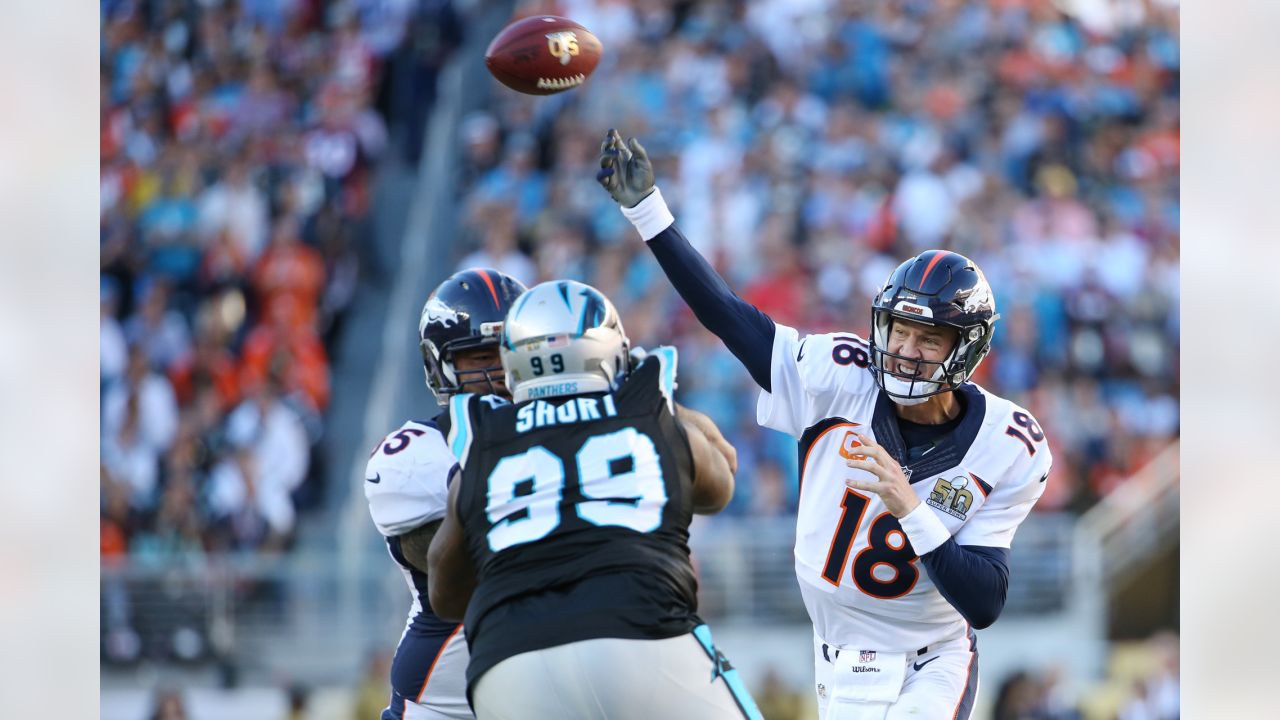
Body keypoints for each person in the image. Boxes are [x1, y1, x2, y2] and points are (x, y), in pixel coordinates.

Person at [597, 129, 1052, 720]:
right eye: (900, 331)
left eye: (929, 338)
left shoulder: (1009, 444)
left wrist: (910, 508)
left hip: (931, 655)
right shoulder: (841, 376)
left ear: (966, 350)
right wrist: (647, 212)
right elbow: (731, 319)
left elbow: (984, 600)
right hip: (839, 654)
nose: (908, 350)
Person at [426, 279, 763, 720]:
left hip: (508, 660)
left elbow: (445, 594)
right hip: (642, 631)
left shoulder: (481, 434)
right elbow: (720, 485)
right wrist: (656, 400)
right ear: (612, 350)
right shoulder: (647, 409)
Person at [364, 268, 527, 720]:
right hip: (445, 698)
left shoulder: (567, 429)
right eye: (478, 358)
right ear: (441, 365)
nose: (498, 373)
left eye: (506, 353)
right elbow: (469, 572)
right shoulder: (415, 457)